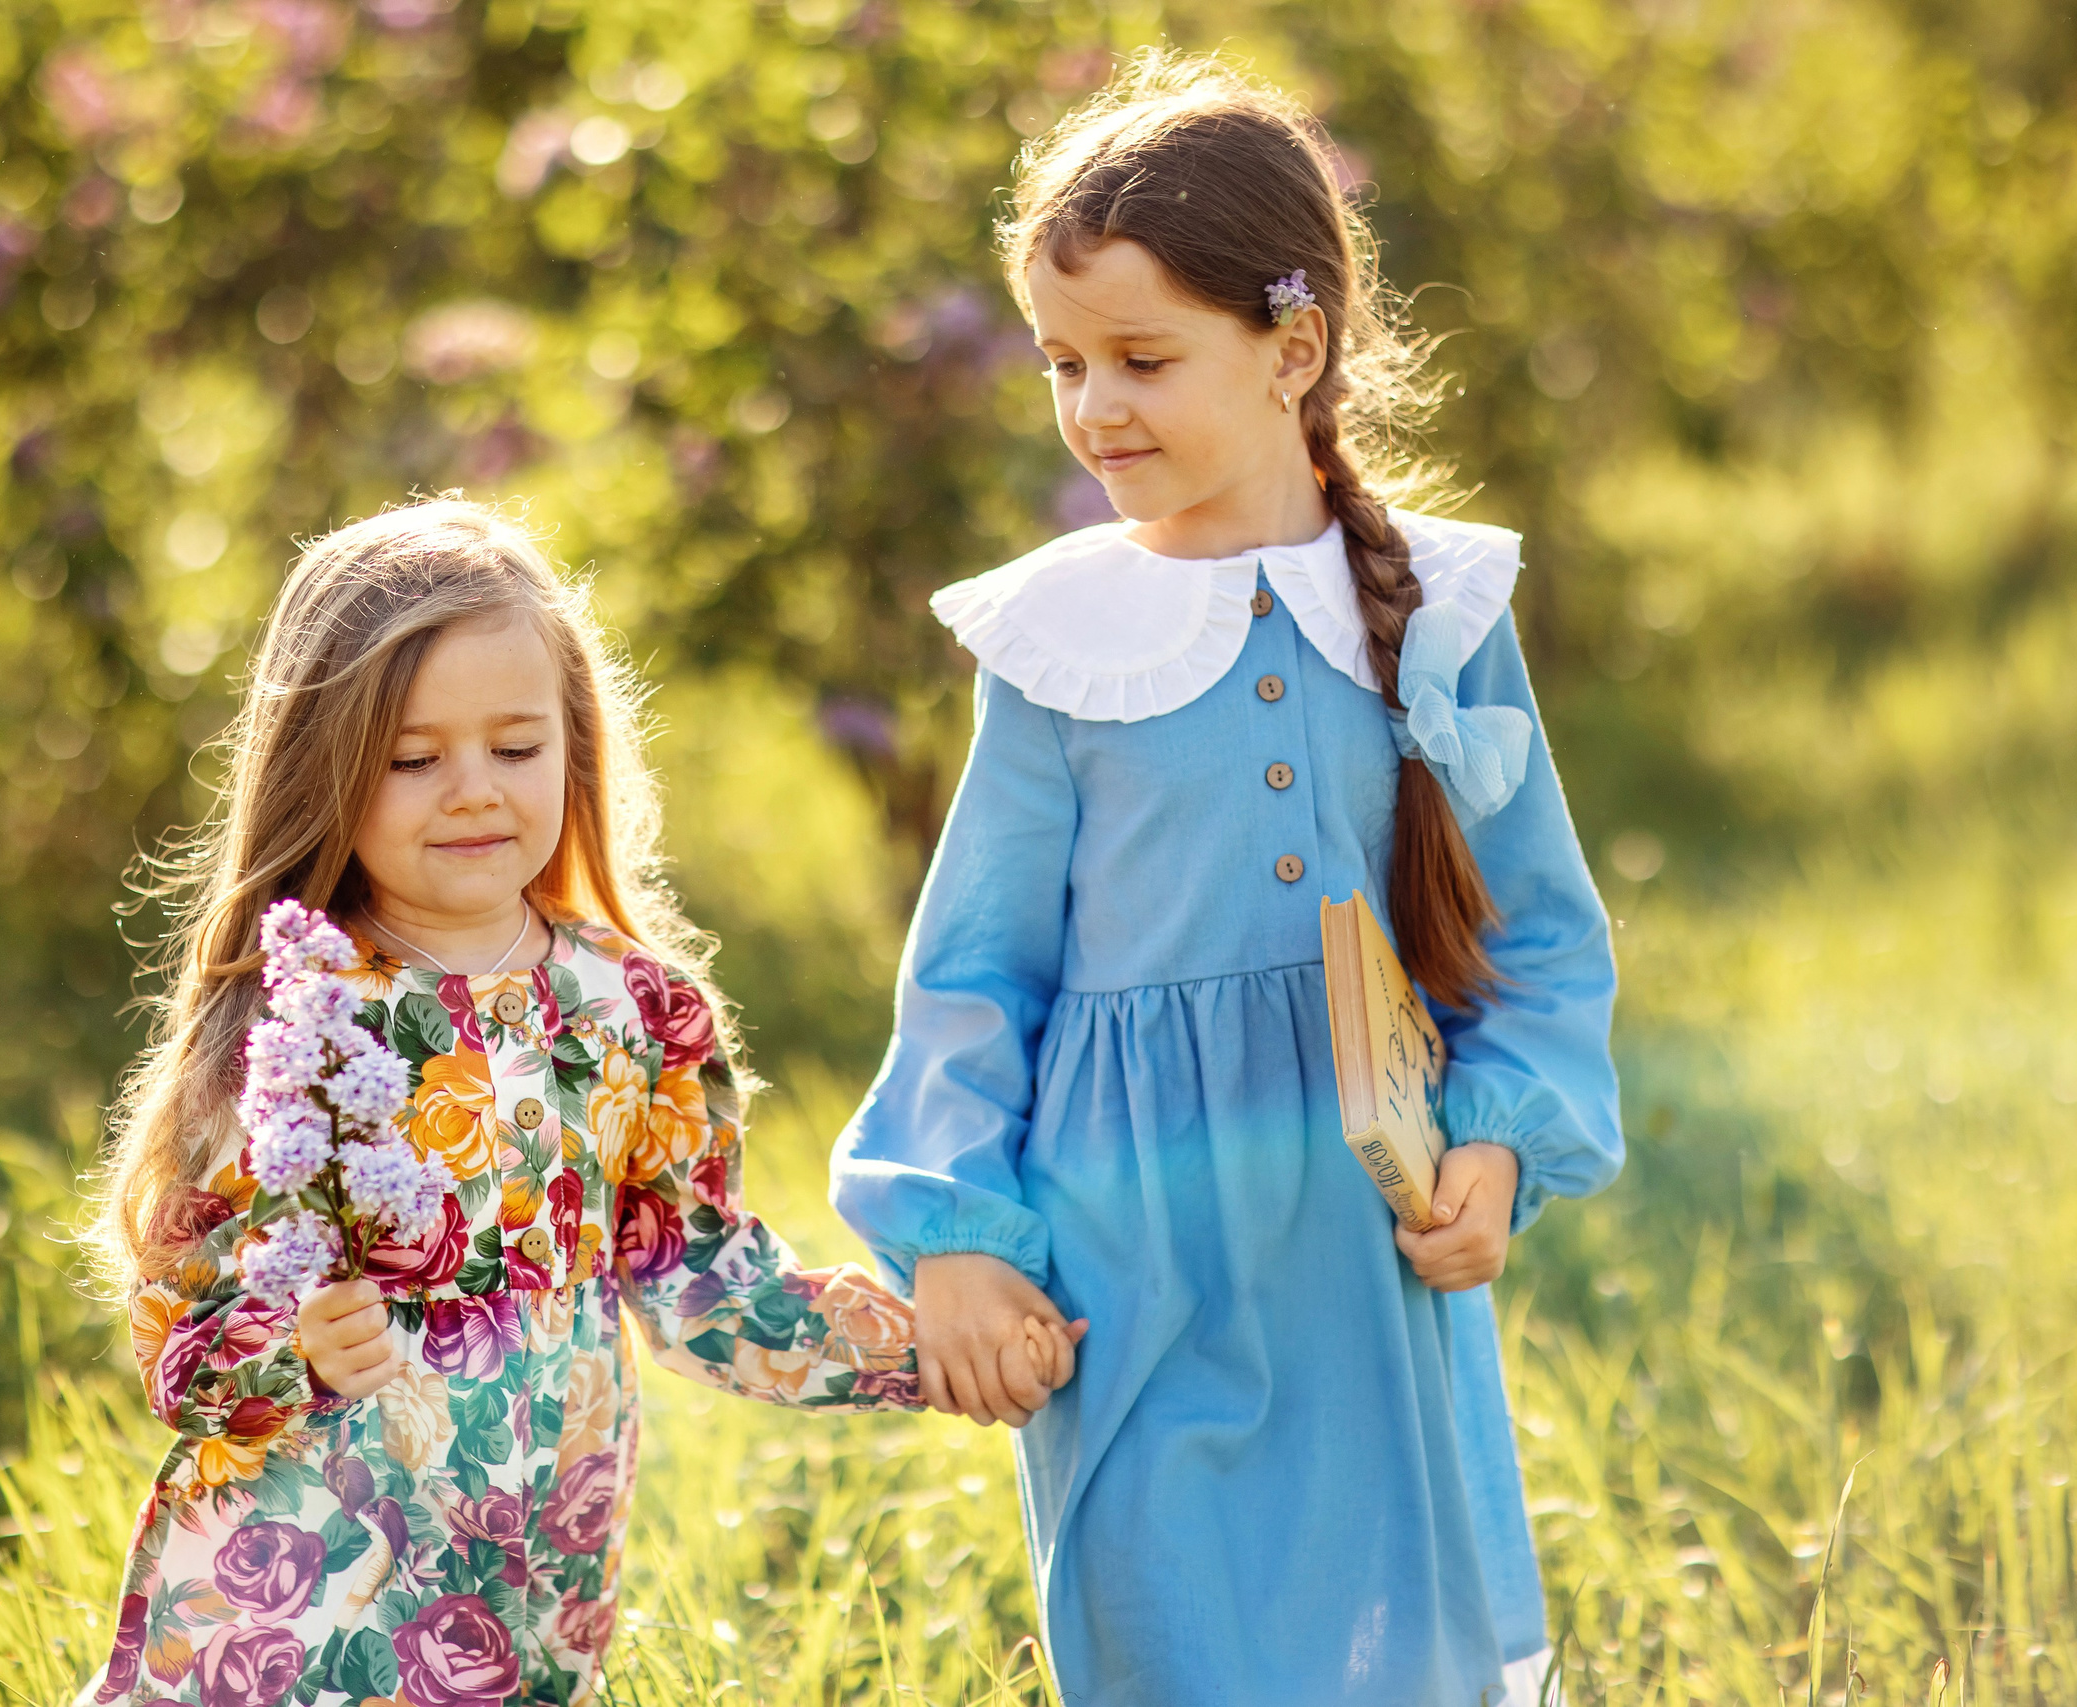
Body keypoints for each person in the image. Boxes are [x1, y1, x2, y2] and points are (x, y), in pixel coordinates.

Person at [829, 55, 1623, 1707]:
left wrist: (1499, 1146)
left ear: (1295, 347)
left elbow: (1537, 937)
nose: (1091, 404)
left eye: (1141, 357)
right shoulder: (1057, 648)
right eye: (1061, 361)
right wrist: (963, 1237)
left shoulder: (1448, 611)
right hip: (1128, 1258)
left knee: (1390, 1650)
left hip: (1360, 1246)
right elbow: (975, 974)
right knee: (1165, 1638)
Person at [79, 499, 1069, 1707]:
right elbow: (174, 1343)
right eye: (411, 757)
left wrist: (931, 1347)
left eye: (515, 747)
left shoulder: (634, 1009)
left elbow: (706, 1290)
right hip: (293, 1595)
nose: (472, 792)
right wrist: (290, 1350)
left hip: (521, 1593)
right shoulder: (298, 1008)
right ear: (324, 762)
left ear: (573, 747)